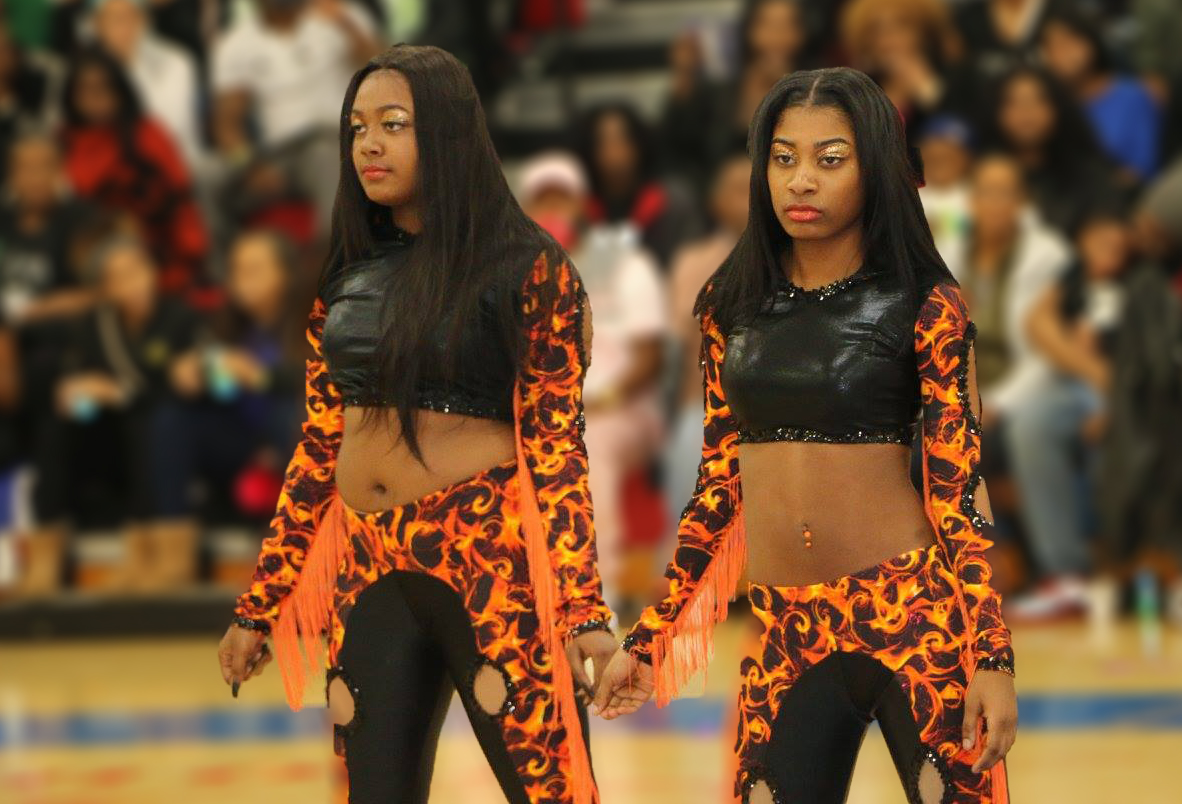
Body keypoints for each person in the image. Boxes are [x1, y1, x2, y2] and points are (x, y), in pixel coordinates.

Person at [594, 68, 1017, 804]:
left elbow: (958, 490)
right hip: (786, 629)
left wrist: (993, 656)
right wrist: (652, 635)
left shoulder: (926, 303)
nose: (801, 180)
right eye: (783, 158)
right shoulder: (731, 306)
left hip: (912, 617)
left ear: (873, 167)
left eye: (830, 159)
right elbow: (717, 488)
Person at [217, 45, 615, 804]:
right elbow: (319, 447)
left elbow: (557, 448)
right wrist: (260, 604)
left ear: (447, 131)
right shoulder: (345, 278)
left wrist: (582, 608)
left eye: (393, 124)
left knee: (552, 792)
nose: (369, 144)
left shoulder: (529, 267)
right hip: (367, 568)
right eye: (358, 128)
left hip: (488, 561)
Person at [60, 47, 209, 301]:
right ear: (71, 96)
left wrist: (188, 259)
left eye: (103, 87)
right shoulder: (61, 142)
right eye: (84, 90)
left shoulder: (148, 134)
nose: (95, 98)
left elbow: (180, 200)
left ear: (121, 90)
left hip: (155, 252)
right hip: (86, 260)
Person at [1039, 7, 1161, 182]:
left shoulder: (1132, 95)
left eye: (1070, 41)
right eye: (1052, 47)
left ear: (1091, 42)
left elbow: (1144, 166)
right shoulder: (1047, 105)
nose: (1063, 53)